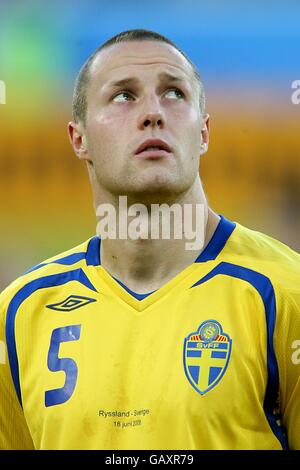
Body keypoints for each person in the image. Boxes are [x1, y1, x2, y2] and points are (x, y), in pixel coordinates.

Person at [0, 29, 299, 450]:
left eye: (174, 93)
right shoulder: (20, 314)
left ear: (204, 133)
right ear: (78, 138)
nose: (153, 113)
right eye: (124, 96)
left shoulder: (286, 293)